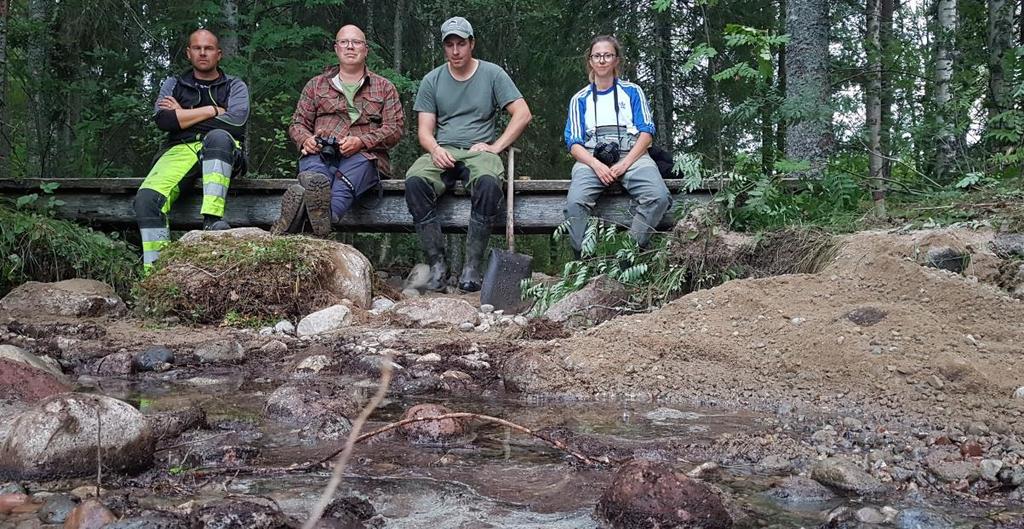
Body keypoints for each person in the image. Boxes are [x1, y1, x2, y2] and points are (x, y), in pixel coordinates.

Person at [405, 16, 532, 292]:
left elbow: (522, 114)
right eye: (449, 44)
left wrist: (496, 146)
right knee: (415, 180)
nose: (455, 50)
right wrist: (435, 149)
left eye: (461, 43)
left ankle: (472, 266)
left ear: (471, 43)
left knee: (488, 181)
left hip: (479, 150)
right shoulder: (432, 79)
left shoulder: (493, 74)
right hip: (444, 149)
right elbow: (424, 131)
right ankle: (437, 264)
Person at [134, 29, 249, 273]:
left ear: (219, 54)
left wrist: (182, 115)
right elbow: (164, 121)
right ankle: (157, 275)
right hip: (180, 149)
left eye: (208, 48)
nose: (203, 52)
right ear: (188, 53)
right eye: (197, 48)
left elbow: (236, 122)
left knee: (218, 135)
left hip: (224, 150)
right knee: (146, 200)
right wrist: (213, 110)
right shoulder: (173, 84)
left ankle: (212, 220)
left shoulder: (234, 86)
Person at [273, 24, 404, 236]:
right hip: (321, 154)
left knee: (357, 168)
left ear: (366, 49)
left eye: (357, 42)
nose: (350, 47)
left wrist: (361, 142)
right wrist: (306, 140)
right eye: (344, 42)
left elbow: (395, 128)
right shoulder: (316, 85)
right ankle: (322, 219)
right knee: (317, 179)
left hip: (364, 158)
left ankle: (305, 218)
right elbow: (297, 124)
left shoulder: (384, 87)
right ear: (336, 48)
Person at [563, 35, 671, 257]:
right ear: (590, 61)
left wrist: (625, 163)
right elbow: (573, 143)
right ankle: (586, 263)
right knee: (574, 204)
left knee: (658, 197)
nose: (602, 60)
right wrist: (596, 165)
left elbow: (647, 133)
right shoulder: (579, 99)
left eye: (607, 55)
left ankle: (626, 257)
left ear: (616, 60)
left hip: (632, 154)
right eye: (597, 56)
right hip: (591, 158)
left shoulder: (633, 91)